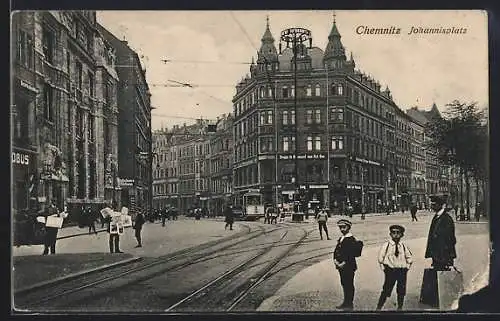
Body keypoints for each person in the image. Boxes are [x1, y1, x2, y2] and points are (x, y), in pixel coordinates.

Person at [376, 225, 413, 311]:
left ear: (402, 235)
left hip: (401, 271)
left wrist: (407, 268)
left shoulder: (403, 246)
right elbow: (380, 258)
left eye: (398, 233)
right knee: (386, 289)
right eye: (393, 233)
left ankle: (400, 307)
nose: (395, 235)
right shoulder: (387, 245)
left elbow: (409, 257)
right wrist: (384, 269)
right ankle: (379, 307)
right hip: (390, 271)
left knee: (401, 290)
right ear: (390, 234)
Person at [425, 196, 457, 270]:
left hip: (443, 255)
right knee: (437, 274)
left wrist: (448, 255)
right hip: (436, 254)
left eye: (434, 204)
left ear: (439, 205)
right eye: (432, 204)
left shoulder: (446, 219)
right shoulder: (436, 217)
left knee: (443, 275)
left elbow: (450, 238)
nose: (432, 206)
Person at [333, 219, 358, 310]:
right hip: (341, 266)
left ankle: (349, 303)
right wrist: (335, 260)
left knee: (349, 284)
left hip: (348, 266)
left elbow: (350, 254)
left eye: (344, 227)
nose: (342, 229)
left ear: (348, 227)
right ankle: (346, 302)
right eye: (340, 227)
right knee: (344, 283)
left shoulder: (350, 239)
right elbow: (336, 251)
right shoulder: (342, 238)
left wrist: (343, 263)